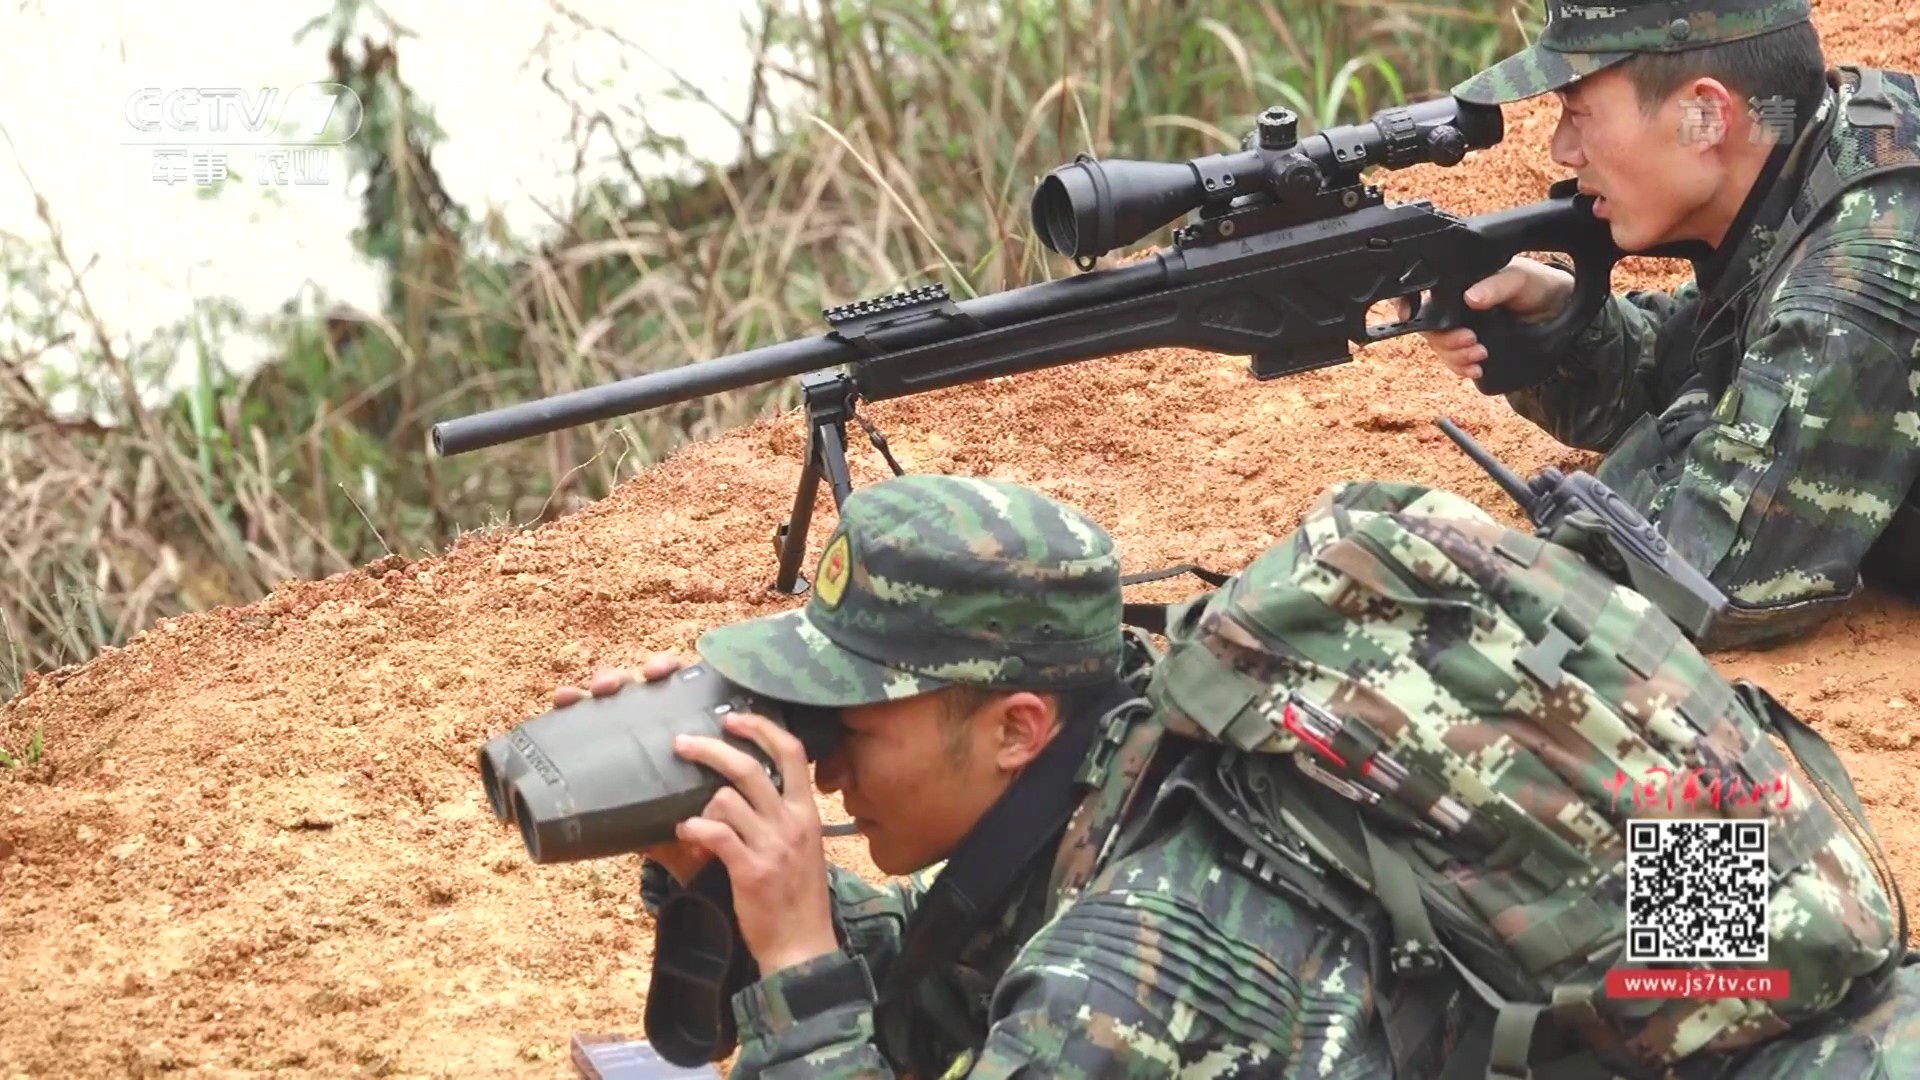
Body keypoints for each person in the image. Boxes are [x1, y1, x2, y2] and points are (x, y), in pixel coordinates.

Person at [549, 472, 1472, 1077]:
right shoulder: (1112, 762)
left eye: (849, 724)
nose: (823, 771)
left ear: (1015, 727)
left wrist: (799, 964)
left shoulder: (1108, 991)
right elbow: (941, 983)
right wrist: (704, 857)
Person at [1426, 0, 1920, 651]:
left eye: (1579, 114)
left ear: (1706, 116)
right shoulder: (1838, 135)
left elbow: (1706, 577)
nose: (1561, 149)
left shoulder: (1862, 268)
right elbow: (1707, 361)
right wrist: (1558, 320)